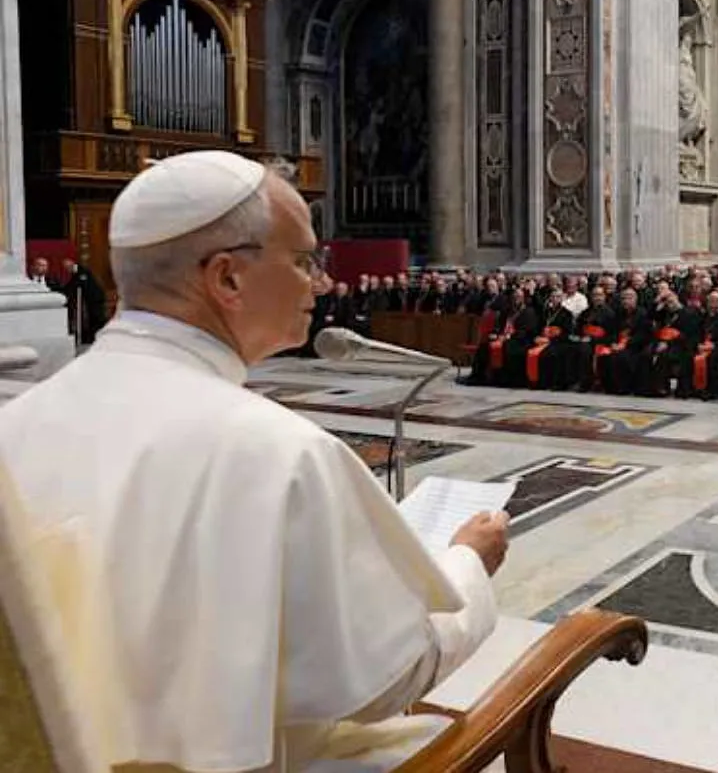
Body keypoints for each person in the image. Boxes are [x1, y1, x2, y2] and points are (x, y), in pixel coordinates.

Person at [0, 151, 511, 771]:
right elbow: (391, 679)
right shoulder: (281, 455)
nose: (321, 283)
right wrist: (469, 564)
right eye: (304, 261)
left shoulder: (16, 424)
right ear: (227, 278)